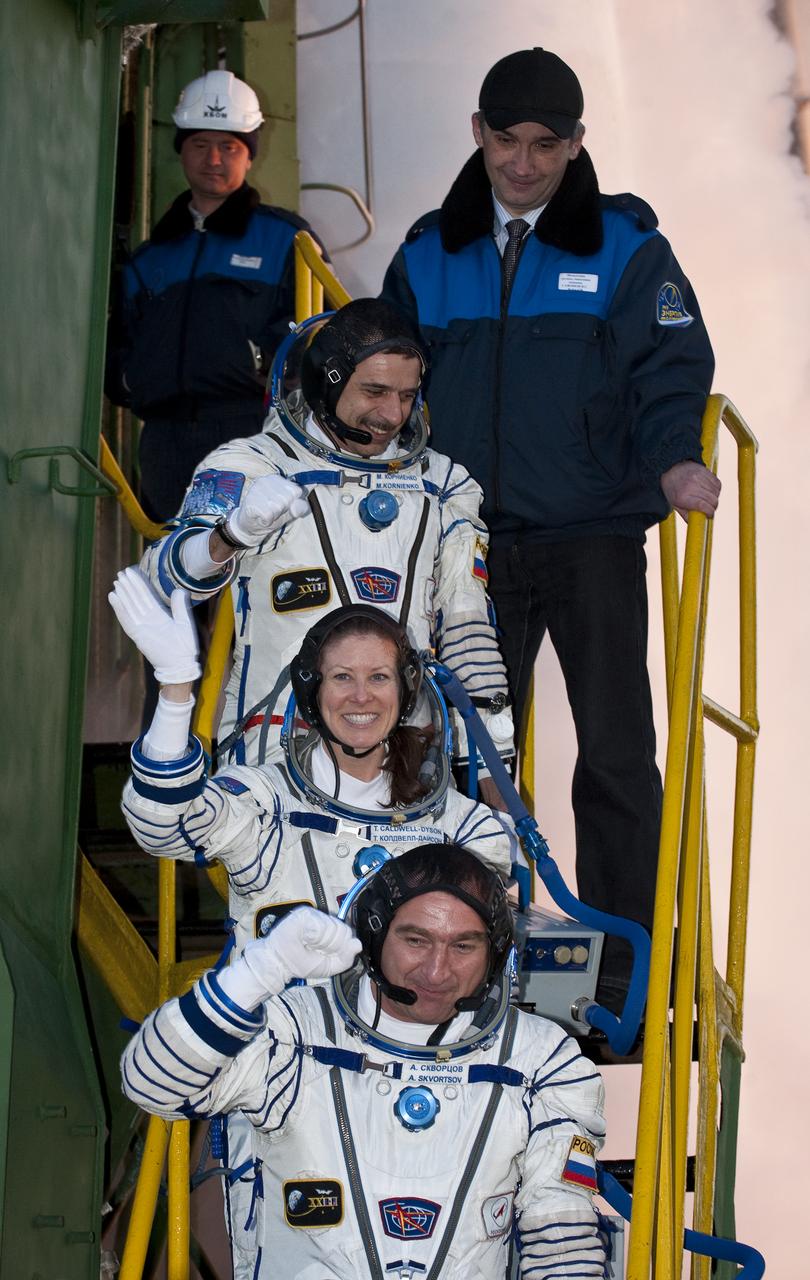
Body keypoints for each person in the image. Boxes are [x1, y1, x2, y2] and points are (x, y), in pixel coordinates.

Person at [381, 47, 722, 1010]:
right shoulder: (426, 253)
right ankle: (456, 947)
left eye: (545, 145)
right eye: (506, 140)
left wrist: (673, 459)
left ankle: (632, 958)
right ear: (477, 133)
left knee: (615, 752)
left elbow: (671, 370)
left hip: (592, 539)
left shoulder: (627, 248)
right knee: (467, 752)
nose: (523, 165)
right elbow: (387, 380)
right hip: (467, 552)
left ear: (577, 144)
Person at [110, 576, 517, 1278]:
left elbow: (481, 975)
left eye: (379, 678)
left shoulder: (467, 828)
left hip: (428, 1083)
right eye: (341, 678)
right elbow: (163, 822)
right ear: (310, 691)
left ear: (407, 690)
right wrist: (177, 693)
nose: (361, 697)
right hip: (282, 1078)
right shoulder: (266, 798)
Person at [121, 843, 608, 1278]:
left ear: (495, 955)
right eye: (415, 941)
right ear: (375, 937)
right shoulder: (297, 1031)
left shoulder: (543, 1059)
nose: (437, 971)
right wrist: (262, 970)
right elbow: (150, 1084)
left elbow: (561, 1235)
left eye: (464, 946)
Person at [137, 297, 514, 799]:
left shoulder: (444, 486)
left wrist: (496, 779)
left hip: (406, 763)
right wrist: (231, 535)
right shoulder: (254, 465)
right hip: (275, 756)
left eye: (406, 395)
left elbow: (469, 629)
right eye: (375, 391)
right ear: (327, 381)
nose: (391, 414)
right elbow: (159, 580)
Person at [105, 69, 324, 523]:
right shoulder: (150, 258)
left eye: (230, 146)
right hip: (163, 440)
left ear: (249, 156)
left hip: (248, 431)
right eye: (200, 144)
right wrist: (130, 378)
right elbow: (122, 340)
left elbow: (322, 334)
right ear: (182, 150)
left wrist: (269, 367)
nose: (214, 159)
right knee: (176, 575)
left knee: (247, 574)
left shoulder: (286, 239)